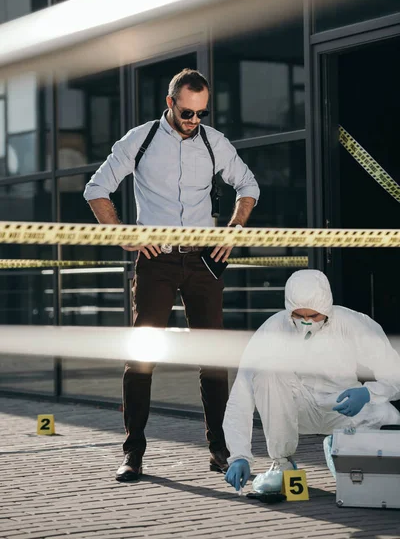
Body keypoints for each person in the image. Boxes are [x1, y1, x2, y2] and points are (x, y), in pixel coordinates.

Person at [83, 68, 260, 482]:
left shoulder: (215, 143)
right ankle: (133, 454)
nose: (194, 121)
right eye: (187, 112)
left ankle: (219, 449)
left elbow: (248, 185)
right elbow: (97, 188)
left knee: (212, 358)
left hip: (203, 262)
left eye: (201, 113)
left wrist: (232, 232)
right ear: (170, 103)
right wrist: (125, 234)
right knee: (142, 358)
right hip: (157, 261)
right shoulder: (140, 140)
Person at [223, 269, 400, 493]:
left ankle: (343, 447)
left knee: (384, 412)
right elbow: (242, 393)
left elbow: (395, 373)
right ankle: (283, 463)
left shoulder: (352, 323)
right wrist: (239, 455)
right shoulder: (273, 328)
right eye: (299, 315)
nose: (306, 323)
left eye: (314, 316)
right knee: (267, 374)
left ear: (326, 308)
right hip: (297, 409)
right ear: (289, 310)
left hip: (343, 405)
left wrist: (368, 393)